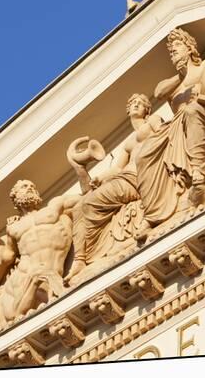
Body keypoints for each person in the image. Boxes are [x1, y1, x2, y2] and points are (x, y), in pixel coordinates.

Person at [134, 28, 205, 241]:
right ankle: (153, 214)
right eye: (170, 50)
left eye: (176, 47)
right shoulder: (174, 82)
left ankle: (199, 176)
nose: (172, 52)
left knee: (190, 111)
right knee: (144, 155)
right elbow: (159, 93)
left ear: (190, 47)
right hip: (175, 127)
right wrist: (181, 76)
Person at [64, 94, 162, 282]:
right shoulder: (128, 143)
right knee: (78, 207)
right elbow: (117, 168)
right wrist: (100, 177)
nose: (135, 105)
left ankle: (83, 258)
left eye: (139, 103)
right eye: (132, 103)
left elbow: (164, 135)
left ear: (147, 110)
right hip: (124, 178)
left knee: (88, 204)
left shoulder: (153, 122)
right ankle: (80, 259)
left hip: (136, 180)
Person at [0, 180, 82, 346]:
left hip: (51, 272)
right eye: (24, 187)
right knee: (17, 309)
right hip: (24, 279)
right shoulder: (11, 230)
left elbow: (85, 198)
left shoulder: (54, 206)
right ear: (15, 199)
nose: (30, 187)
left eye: (32, 185)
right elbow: (4, 256)